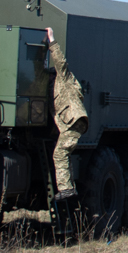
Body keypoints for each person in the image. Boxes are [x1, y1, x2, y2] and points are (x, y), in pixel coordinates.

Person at [46, 32, 88, 202]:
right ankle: (69, 188)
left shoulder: (64, 79)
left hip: (74, 120)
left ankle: (66, 189)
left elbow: (60, 62)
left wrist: (52, 41)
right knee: (64, 153)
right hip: (72, 122)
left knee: (59, 153)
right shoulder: (55, 89)